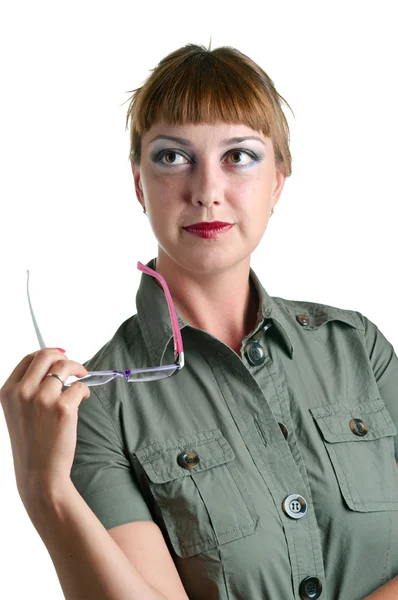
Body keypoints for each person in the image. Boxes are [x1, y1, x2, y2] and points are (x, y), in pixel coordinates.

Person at [1, 42, 398, 600]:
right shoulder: (98, 407)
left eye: (239, 156)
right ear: (140, 184)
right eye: (172, 157)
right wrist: (46, 493)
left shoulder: (358, 348)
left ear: (277, 182)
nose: (208, 191)